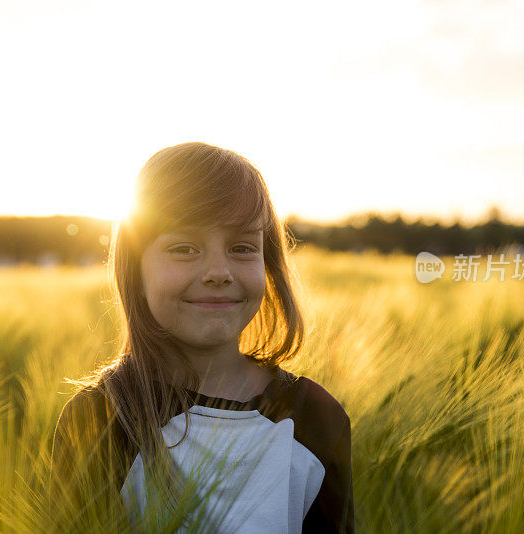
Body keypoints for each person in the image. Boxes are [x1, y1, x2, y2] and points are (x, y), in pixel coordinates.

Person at [50, 142, 354, 533]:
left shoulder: (316, 419)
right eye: (184, 248)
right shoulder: (100, 421)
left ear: (269, 265)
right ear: (135, 272)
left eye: (242, 247)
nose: (218, 271)